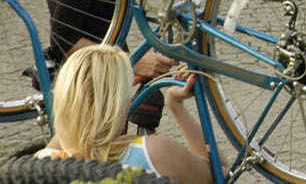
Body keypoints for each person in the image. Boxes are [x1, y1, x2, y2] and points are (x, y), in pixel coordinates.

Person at [37, 43, 210, 184]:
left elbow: (68, 132)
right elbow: (219, 174)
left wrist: (77, 105)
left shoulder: (45, 163)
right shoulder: (156, 153)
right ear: (120, 104)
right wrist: (175, 104)